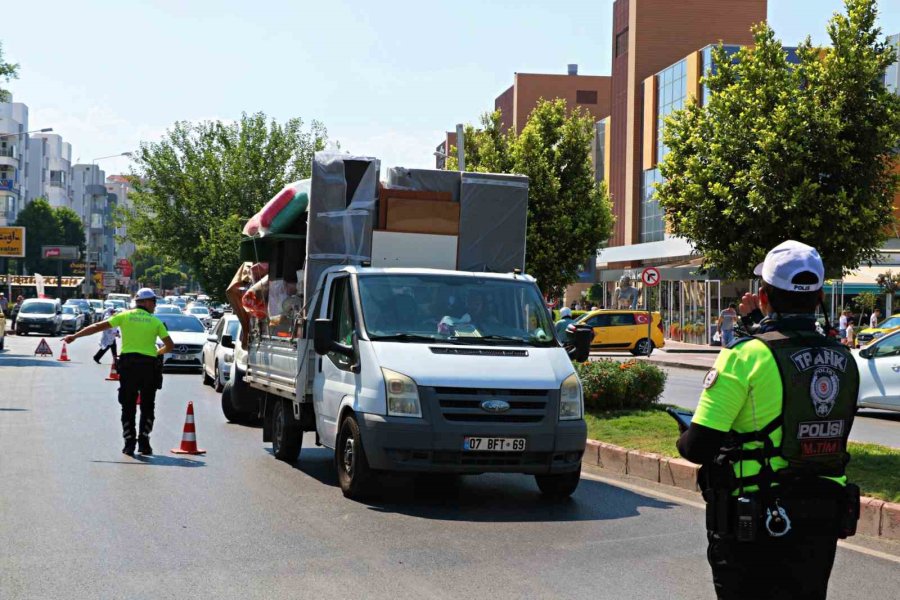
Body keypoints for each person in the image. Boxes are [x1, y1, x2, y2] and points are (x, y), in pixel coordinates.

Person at [677, 240, 860, 600]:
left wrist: (683, 434)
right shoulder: (844, 358)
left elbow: (697, 447)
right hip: (822, 517)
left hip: (756, 522)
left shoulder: (743, 358)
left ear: (764, 296)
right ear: (819, 295)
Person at [64, 288, 174, 456]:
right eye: (154, 302)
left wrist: (75, 336)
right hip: (148, 366)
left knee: (128, 406)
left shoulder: (124, 316)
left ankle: (129, 444)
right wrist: (157, 352)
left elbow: (97, 326)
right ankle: (144, 443)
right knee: (147, 405)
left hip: (129, 366)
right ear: (146, 302)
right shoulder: (155, 322)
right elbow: (170, 345)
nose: (155, 305)